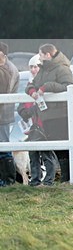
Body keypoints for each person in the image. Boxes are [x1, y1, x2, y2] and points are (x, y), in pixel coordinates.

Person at [26, 43, 73, 182]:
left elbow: (68, 86)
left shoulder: (62, 69)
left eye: (40, 54)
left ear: (48, 54)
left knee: (63, 147)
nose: (39, 58)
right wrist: (32, 91)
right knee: (56, 147)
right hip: (47, 114)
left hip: (60, 114)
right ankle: (65, 178)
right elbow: (31, 84)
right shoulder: (43, 70)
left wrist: (46, 87)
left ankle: (67, 177)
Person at [16, 55, 59, 186]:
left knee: (47, 154)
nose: (34, 69)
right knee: (33, 155)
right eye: (31, 67)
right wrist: (24, 112)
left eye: (36, 66)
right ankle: (35, 180)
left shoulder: (45, 83)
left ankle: (48, 181)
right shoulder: (29, 85)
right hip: (31, 126)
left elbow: (48, 106)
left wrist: (35, 109)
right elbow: (21, 105)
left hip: (44, 125)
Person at [0, 42, 19, 185]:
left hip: (3, 115)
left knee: (4, 147)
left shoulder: (9, 70)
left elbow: (4, 89)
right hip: (3, 114)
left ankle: (8, 180)